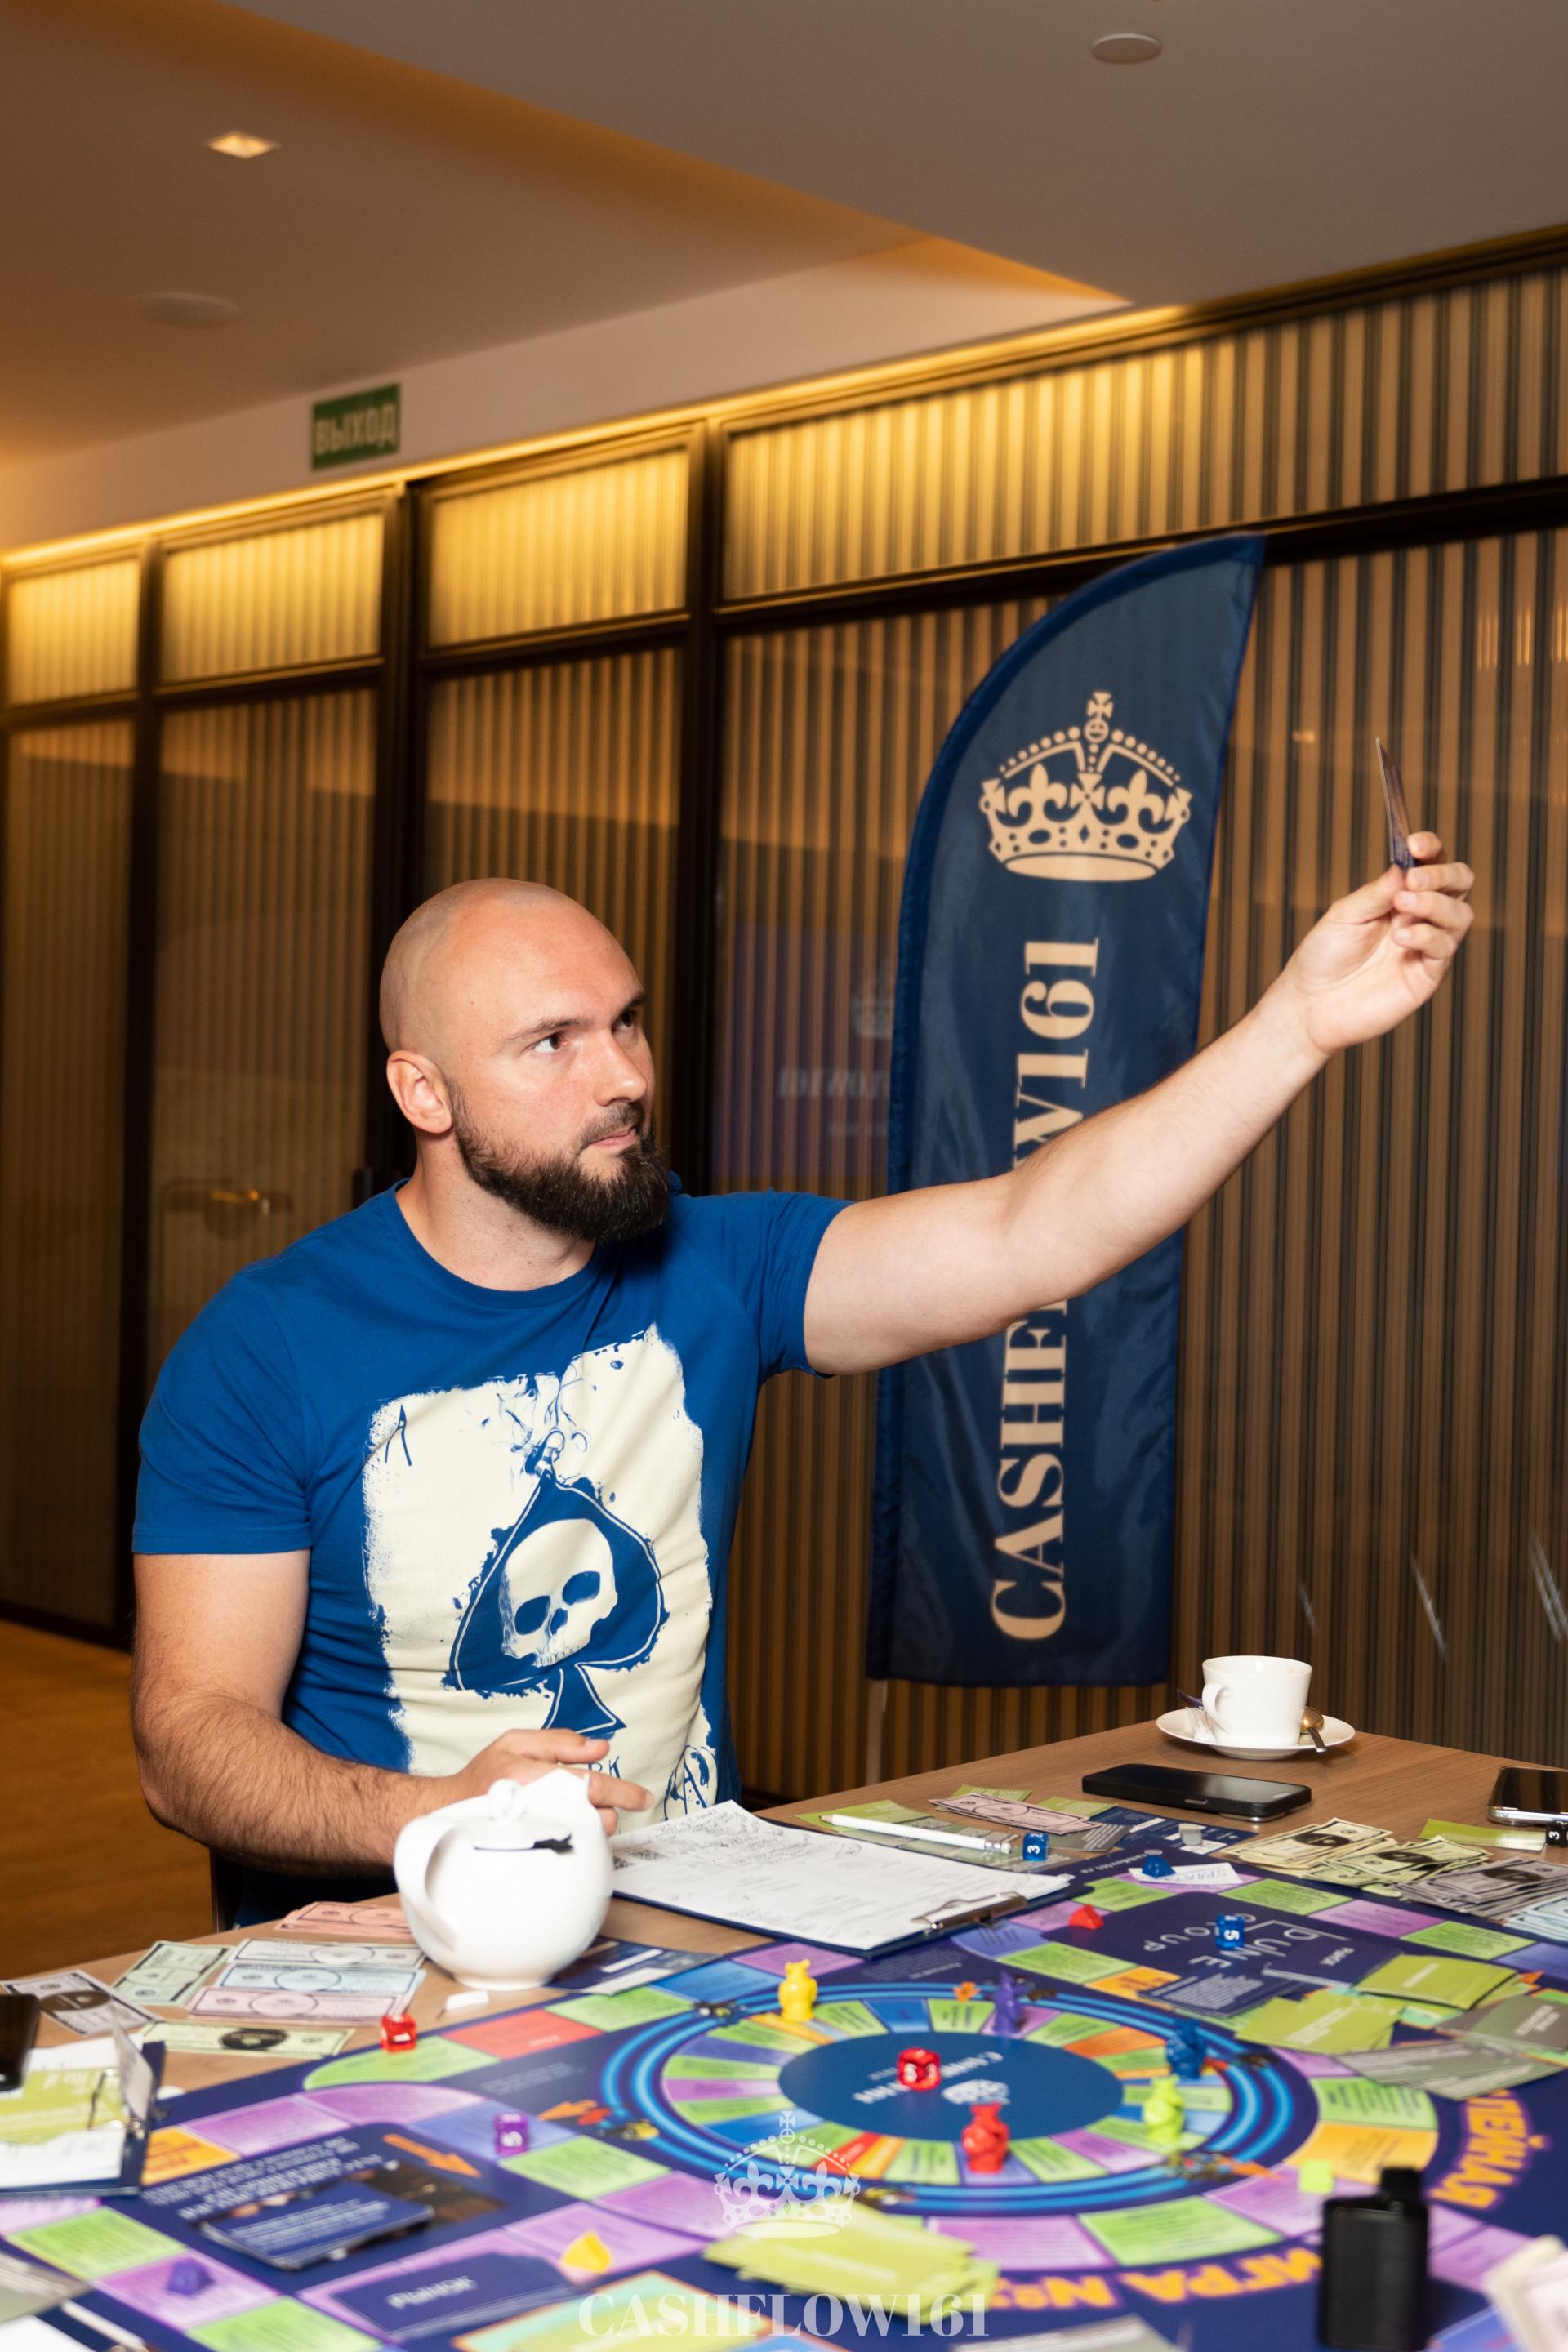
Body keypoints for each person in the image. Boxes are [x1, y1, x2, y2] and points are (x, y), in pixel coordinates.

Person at [131, 845, 1472, 1918]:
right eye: (553, 1043)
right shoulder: (268, 1346)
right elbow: (190, 1740)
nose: (624, 1077)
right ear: (424, 1093)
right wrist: (431, 1815)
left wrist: (1296, 1025)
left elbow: (1036, 1229)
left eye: (626, 1023)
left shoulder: (721, 1264)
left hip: (676, 1922)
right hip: (389, 1945)